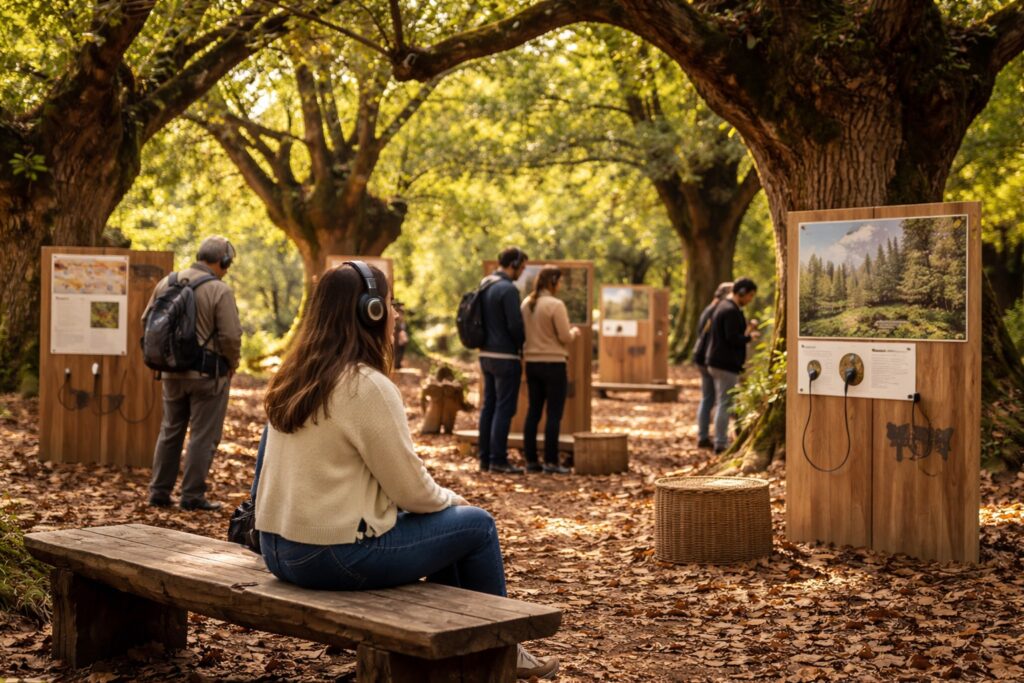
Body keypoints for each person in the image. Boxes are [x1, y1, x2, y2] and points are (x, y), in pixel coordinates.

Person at [253, 262, 558, 680]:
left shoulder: (292, 376)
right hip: (331, 556)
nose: (396, 313)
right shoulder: (366, 386)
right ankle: (501, 650)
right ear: (370, 312)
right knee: (477, 526)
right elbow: (411, 491)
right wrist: (454, 500)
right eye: (391, 303)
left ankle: (455, 652)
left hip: (278, 549)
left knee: (448, 531)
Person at [146, 236, 242, 511]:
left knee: (170, 430)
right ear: (222, 261)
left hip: (170, 373)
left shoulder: (167, 282)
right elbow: (230, 336)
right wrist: (231, 363)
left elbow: (146, 321)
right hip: (208, 376)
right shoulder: (219, 290)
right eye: (228, 264)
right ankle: (192, 496)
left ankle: (159, 492)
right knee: (202, 435)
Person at [521, 266, 578, 474]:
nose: (561, 285)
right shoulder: (556, 305)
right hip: (554, 364)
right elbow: (564, 336)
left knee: (533, 412)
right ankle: (551, 462)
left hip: (532, 364)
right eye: (559, 281)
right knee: (554, 414)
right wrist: (574, 332)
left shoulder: (527, 303)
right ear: (553, 282)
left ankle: (531, 461)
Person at [477, 247, 528, 474]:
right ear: (514, 264)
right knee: (504, 408)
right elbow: (515, 325)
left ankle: (485, 458)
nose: (522, 272)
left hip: (485, 354)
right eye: (523, 267)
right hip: (506, 356)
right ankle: (498, 459)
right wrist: (522, 344)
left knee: (489, 406)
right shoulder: (508, 289)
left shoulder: (485, 284)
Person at [705, 278, 760, 454]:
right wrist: (749, 338)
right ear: (742, 292)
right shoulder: (729, 310)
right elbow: (732, 338)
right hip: (724, 363)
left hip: (720, 362)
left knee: (723, 402)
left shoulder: (725, 307)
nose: (750, 299)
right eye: (750, 295)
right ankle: (720, 443)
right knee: (724, 403)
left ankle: (723, 439)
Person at [692, 282, 733, 450]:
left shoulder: (708, 309)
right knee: (721, 400)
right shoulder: (720, 310)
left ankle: (702, 436)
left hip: (701, 357)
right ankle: (719, 441)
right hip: (710, 358)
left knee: (707, 398)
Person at [392, 301, 409, 369]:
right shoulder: (397, 313)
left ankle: (397, 363)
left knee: (401, 349)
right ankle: (396, 364)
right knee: (397, 349)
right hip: (397, 335)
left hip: (400, 336)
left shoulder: (401, 315)